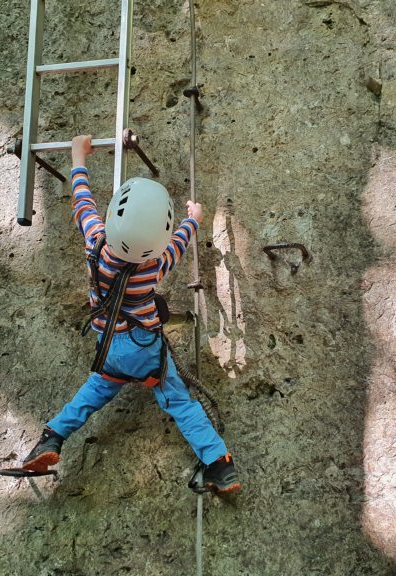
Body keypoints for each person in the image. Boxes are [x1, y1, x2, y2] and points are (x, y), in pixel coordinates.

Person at [20, 134, 241, 494]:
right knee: (179, 402)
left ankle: (51, 438)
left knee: (93, 392)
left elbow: (82, 200)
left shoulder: (95, 241)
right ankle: (218, 464)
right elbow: (180, 242)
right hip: (145, 349)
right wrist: (194, 218)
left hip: (111, 349)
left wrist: (79, 155)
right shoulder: (155, 264)